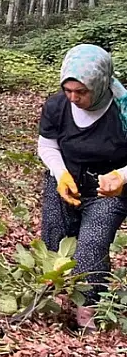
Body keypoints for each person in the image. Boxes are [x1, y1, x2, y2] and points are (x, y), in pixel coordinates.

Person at [37, 44, 127, 330]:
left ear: (100, 83)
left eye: (82, 92)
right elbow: (47, 144)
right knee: (55, 240)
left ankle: (88, 312)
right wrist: (60, 174)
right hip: (65, 181)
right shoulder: (57, 106)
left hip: (106, 190)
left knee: (90, 247)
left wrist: (122, 177)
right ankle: (53, 302)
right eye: (69, 90)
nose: (74, 98)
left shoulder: (122, 111)